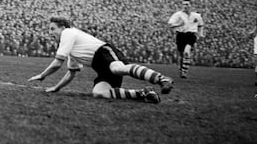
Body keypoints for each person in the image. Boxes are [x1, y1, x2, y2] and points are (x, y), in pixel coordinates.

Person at [28, 17, 174, 103]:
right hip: (100, 66)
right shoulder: (69, 46)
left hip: (104, 52)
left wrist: (42, 75)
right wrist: (56, 88)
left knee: (117, 69)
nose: (50, 33)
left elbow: (57, 63)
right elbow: (71, 73)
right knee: (99, 93)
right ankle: (144, 94)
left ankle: (161, 79)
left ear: (63, 27)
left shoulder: (68, 33)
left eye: (52, 29)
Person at [167, 0, 205, 78]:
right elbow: (170, 25)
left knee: (187, 52)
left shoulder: (196, 16)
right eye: (183, 4)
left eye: (187, 4)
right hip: (181, 35)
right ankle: (182, 69)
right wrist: (179, 24)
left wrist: (200, 34)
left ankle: (184, 72)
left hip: (191, 35)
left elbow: (201, 25)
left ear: (191, 5)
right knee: (182, 55)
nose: (185, 6)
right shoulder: (177, 15)